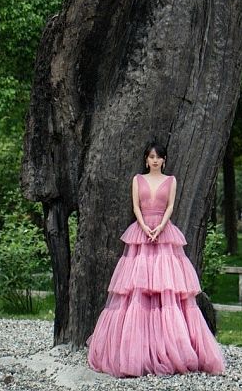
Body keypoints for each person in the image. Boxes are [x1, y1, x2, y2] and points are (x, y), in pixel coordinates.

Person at [86, 143, 225, 377]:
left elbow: (170, 206)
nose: (155, 160)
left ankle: (171, 348)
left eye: (159, 157)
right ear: (146, 159)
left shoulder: (171, 181)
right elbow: (136, 206)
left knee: (166, 290)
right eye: (151, 157)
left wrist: (160, 227)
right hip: (141, 234)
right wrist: (144, 227)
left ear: (164, 160)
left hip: (164, 232)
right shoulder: (137, 179)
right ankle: (136, 352)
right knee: (137, 290)